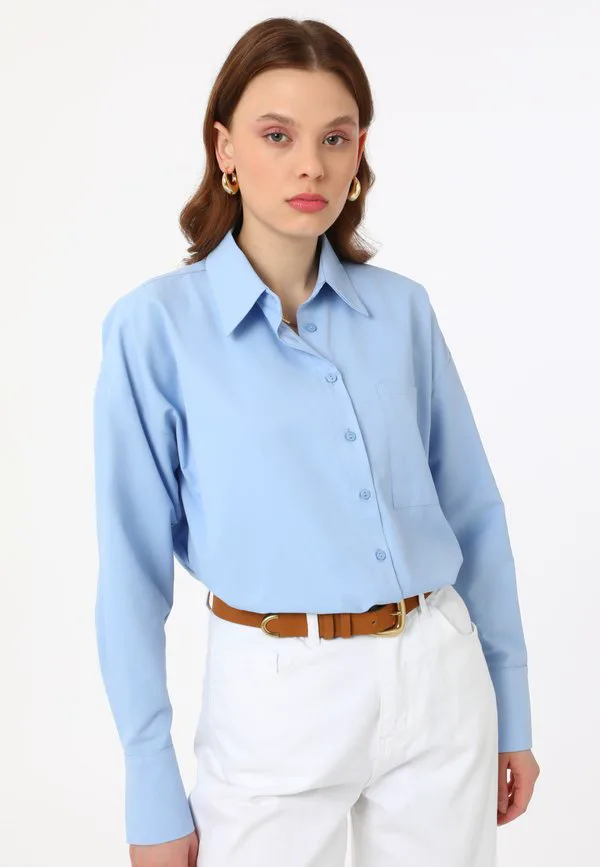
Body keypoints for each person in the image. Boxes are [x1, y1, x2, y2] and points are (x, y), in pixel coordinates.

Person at [92, 16, 540, 867]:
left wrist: (512, 707)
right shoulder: (155, 329)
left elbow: (474, 513)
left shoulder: (402, 310)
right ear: (225, 148)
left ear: (359, 151)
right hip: (274, 698)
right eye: (278, 135)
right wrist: (150, 787)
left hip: (438, 679)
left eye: (335, 137)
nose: (311, 165)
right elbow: (130, 576)